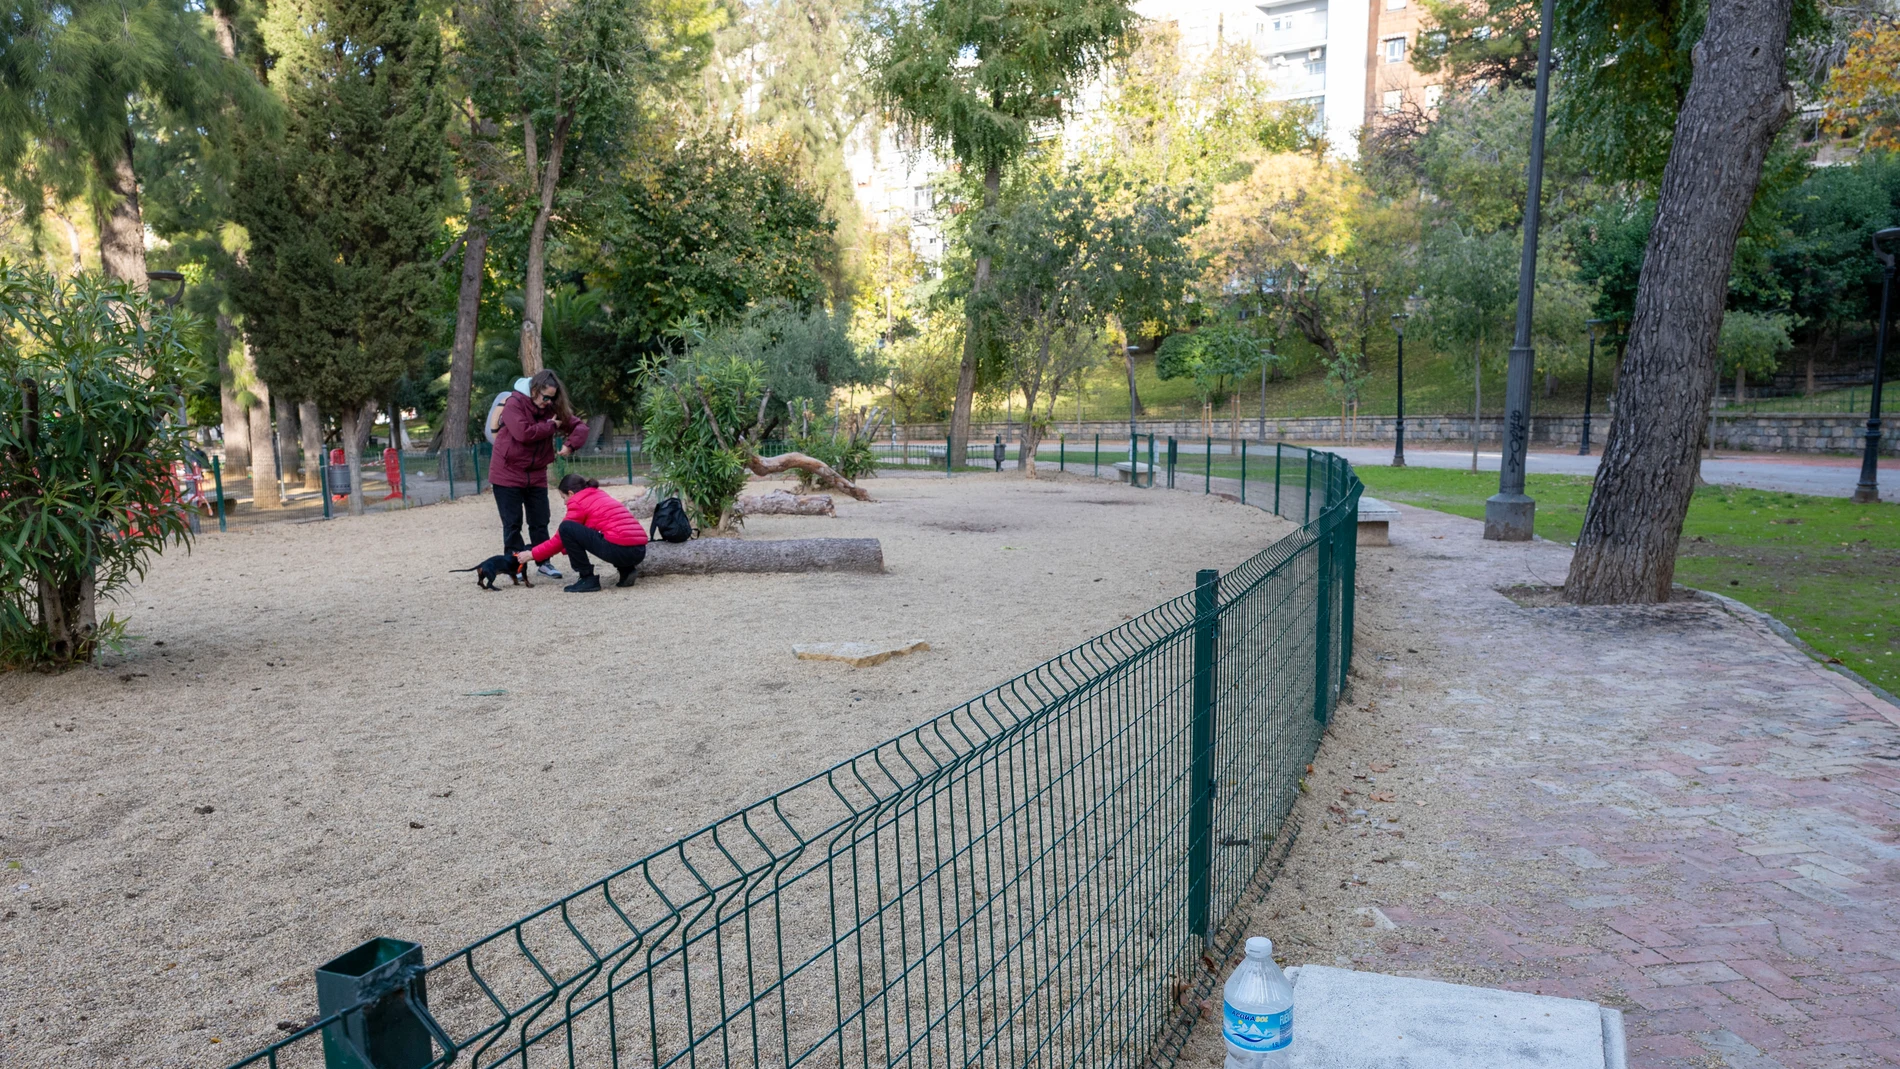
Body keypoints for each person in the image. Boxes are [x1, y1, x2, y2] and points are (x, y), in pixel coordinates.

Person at [489, 369, 589, 577]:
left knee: (540, 521)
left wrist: (571, 444)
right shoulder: (513, 403)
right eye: (545, 397)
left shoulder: (551, 408)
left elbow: (580, 427)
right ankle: (514, 564)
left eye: (552, 398)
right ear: (534, 389)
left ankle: (543, 562)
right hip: (507, 473)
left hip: (536, 474)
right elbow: (524, 433)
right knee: (512, 522)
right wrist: (551, 426)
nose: (548, 402)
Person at [516, 475, 647, 592]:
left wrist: (532, 554)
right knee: (612, 533)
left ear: (571, 493)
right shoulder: (599, 495)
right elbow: (580, 536)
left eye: (564, 497)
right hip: (640, 551)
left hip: (619, 551)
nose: (564, 502)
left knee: (566, 527)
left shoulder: (577, 502)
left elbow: (560, 538)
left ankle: (587, 578)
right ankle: (627, 571)